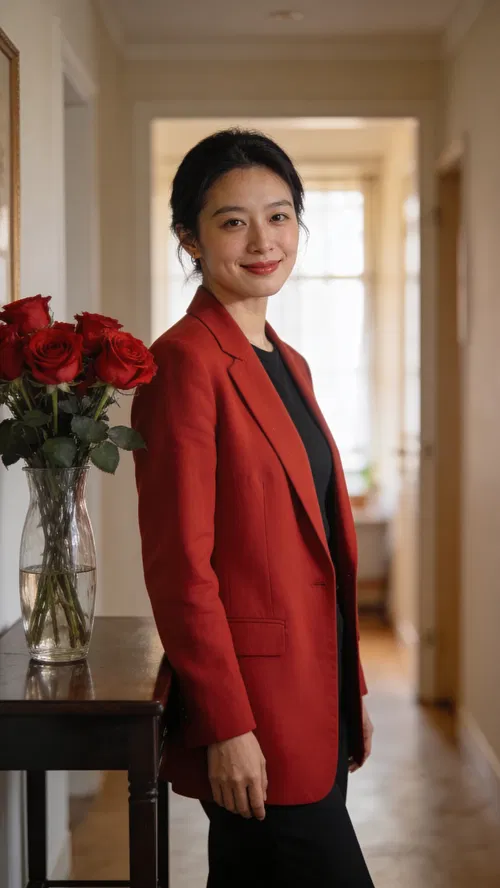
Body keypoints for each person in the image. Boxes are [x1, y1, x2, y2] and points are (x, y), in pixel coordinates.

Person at [131, 128, 375, 887]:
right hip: (256, 708)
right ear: (190, 240)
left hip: (315, 689)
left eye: (280, 215)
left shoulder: (286, 359)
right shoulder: (183, 361)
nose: (263, 240)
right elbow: (182, 567)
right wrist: (228, 724)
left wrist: (349, 690)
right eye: (233, 221)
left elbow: (319, 544)